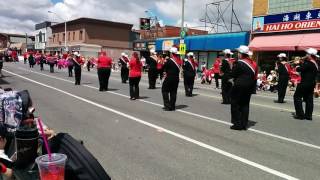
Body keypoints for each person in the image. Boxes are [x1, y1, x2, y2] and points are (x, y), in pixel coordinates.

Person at [230, 45, 257, 130]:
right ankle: (244, 124)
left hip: (239, 86)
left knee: (235, 104)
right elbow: (255, 77)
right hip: (249, 86)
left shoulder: (239, 63)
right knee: (245, 105)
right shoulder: (254, 63)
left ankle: (237, 124)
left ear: (241, 54)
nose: (237, 54)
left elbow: (233, 74)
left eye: (238, 53)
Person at [293, 48, 319, 120]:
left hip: (305, 83)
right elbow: (306, 69)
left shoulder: (308, 63)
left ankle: (300, 115)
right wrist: (302, 62)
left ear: (310, 55)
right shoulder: (315, 63)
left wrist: (297, 64)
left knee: (297, 97)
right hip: (311, 83)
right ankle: (308, 115)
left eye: (307, 54)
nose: (306, 55)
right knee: (309, 99)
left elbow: (299, 69)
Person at [162, 47, 182, 111]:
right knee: (173, 92)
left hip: (169, 78)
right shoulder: (179, 61)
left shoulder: (169, 61)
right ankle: (172, 106)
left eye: (170, 53)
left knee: (164, 90)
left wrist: (165, 61)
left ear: (172, 53)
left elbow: (164, 68)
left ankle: (167, 106)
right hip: (176, 78)